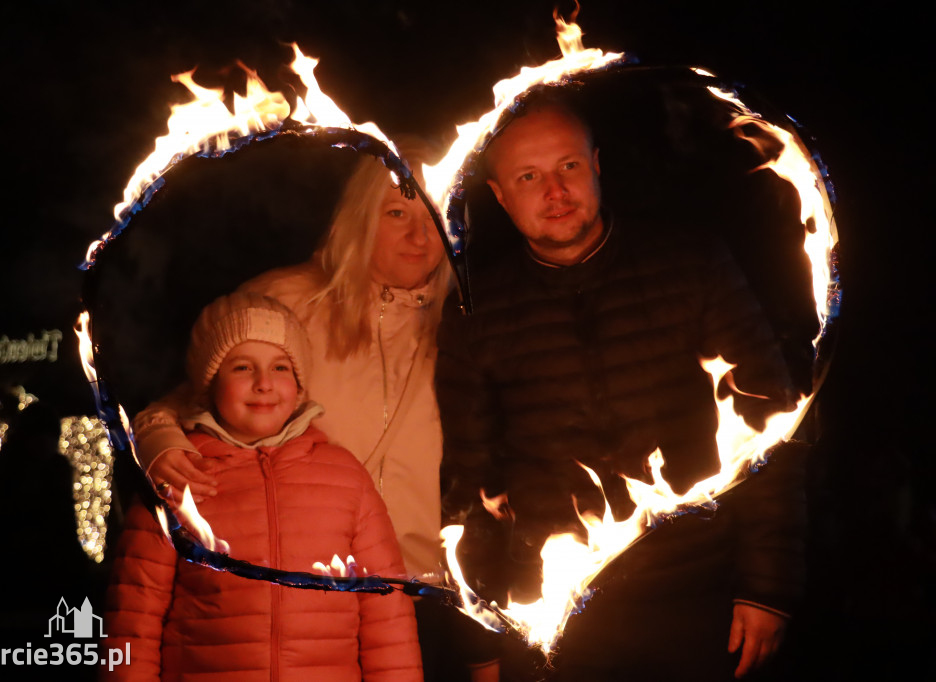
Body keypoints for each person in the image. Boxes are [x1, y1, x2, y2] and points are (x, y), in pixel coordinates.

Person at [437, 97, 807, 681]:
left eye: (568, 167)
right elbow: (468, 473)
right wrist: (482, 637)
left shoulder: (691, 263)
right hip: (564, 614)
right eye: (529, 177)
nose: (554, 191)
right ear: (500, 195)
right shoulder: (476, 311)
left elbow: (769, 420)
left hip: (700, 596)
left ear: (597, 165)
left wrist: (766, 586)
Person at [132, 139, 498, 681]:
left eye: (431, 213)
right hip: (301, 601)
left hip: (415, 597)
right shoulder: (289, 300)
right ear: (359, 218)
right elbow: (197, 394)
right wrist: (159, 439)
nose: (419, 236)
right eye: (397, 212)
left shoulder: (464, 320)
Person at [103, 292, 422, 680]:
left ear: (300, 383)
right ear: (208, 384)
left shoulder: (345, 477)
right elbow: (135, 614)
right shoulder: (179, 476)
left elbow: (388, 618)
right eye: (241, 367)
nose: (264, 384)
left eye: (281, 368)